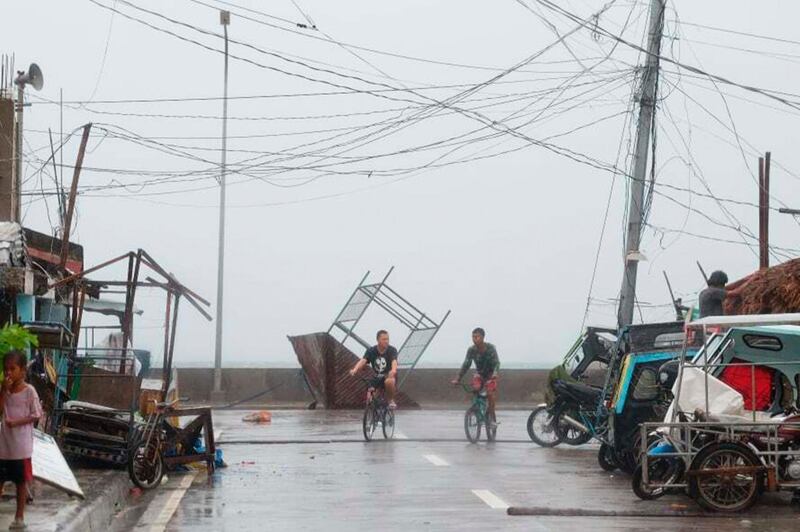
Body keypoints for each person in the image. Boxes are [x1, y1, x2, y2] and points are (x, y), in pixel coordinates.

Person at [0, 350, 42, 530]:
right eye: (5, 369)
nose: (8, 372)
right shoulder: (4, 391)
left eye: (12, 369)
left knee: (20, 483)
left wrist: (17, 422)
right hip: (4, 445)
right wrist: (3, 391)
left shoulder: (29, 391)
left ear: (22, 371)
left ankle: (19, 517)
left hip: (21, 447)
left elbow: (36, 414)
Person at [451, 328, 500, 421]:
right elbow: (466, 364)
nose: (474, 339)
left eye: (476, 337)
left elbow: (497, 363)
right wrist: (458, 378)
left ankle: (492, 417)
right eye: (473, 337)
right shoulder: (471, 350)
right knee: (475, 388)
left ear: (482, 337)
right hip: (479, 374)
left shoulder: (491, 348)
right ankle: (476, 409)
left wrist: (495, 374)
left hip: (491, 375)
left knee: (490, 394)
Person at [349, 330, 398, 409]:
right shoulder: (371, 351)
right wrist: (355, 369)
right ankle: (373, 415)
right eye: (384, 339)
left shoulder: (392, 350)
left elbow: (394, 361)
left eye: (387, 339)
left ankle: (390, 400)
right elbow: (363, 361)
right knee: (370, 399)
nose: (386, 341)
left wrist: (393, 370)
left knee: (389, 381)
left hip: (388, 376)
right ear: (378, 340)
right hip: (377, 377)